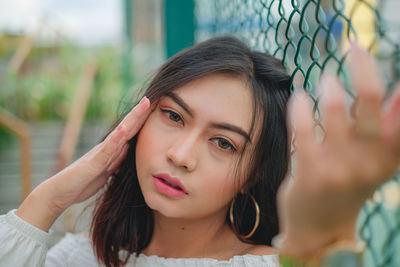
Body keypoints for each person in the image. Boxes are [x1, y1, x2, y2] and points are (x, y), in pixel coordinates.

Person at [0, 36, 399, 267]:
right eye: (173, 116)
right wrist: (47, 201)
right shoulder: (81, 257)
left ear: (253, 175)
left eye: (224, 143)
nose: (181, 155)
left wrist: (321, 242)